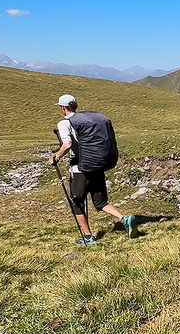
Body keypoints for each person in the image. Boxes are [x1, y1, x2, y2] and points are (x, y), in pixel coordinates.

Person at [49, 94, 137, 245]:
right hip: (97, 165)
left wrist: (55, 157)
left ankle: (88, 237)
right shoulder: (85, 121)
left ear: (63, 108)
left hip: (79, 168)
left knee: (77, 202)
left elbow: (67, 144)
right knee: (100, 202)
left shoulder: (64, 124)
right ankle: (124, 219)